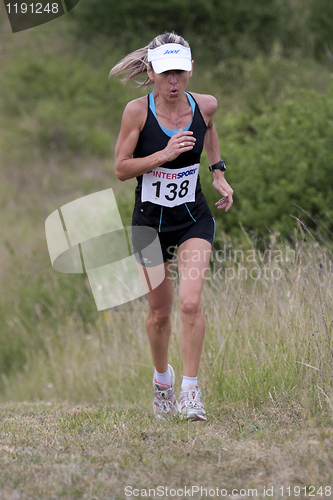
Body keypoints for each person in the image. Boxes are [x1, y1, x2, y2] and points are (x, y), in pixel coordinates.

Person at [110, 32, 233, 421]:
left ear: (191, 70)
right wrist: (163, 154)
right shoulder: (137, 112)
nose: (173, 82)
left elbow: (209, 129)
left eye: (180, 72)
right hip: (148, 225)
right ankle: (162, 381)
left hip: (193, 218)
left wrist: (217, 173)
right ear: (151, 72)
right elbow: (120, 169)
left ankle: (191, 393)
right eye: (165, 73)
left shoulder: (205, 105)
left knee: (191, 302)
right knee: (159, 313)